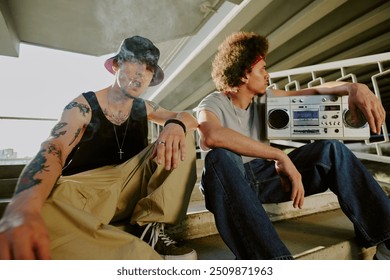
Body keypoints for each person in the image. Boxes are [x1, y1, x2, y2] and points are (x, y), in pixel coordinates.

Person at [0, 35, 199, 260]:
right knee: (41, 217)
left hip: (128, 184)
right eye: (135, 62)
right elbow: (54, 148)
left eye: (149, 68)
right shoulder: (83, 105)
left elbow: (190, 118)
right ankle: (138, 255)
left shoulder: (146, 107)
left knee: (183, 132)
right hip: (86, 189)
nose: (141, 74)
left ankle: (148, 229)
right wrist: (23, 206)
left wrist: (176, 124)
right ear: (116, 65)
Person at [196, 31, 390, 260]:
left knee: (331, 150)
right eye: (262, 69)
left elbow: (316, 91)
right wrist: (280, 155)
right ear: (244, 74)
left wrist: (354, 88)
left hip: (265, 177)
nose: (267, 75)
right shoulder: (212, 102)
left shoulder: (264, 99)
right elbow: (212, 136)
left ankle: (386, 238)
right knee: (218, 157)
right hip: (230, 182)